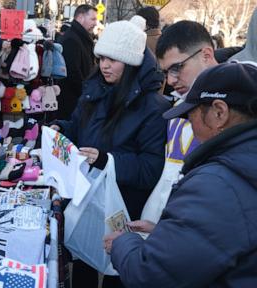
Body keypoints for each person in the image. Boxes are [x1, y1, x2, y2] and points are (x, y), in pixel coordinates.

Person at [104, 62, 257, 287]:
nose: (189, 125)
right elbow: (228, 237)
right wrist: (169, 234)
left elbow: (149, 275)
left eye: (190, 116)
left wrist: (123, 243)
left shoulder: (217, 184)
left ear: (219, 112)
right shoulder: (239, 169)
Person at [52, 15, 169, 288]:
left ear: (130, 63)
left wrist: (108, 161)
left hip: (123, 208)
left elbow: (151, 168)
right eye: (101, 57)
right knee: (82, 261)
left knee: (117, 273)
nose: (104, 65)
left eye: (112, 59)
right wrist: (62, 129)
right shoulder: (94, 90)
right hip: (87, 198)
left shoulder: (153, 107)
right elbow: (79, 129)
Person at [136, 21, 218, 230]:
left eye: (176, 68)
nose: (171, 80)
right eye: (165, 72)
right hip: (166, 230)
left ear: (206, 55)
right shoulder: (178, 106)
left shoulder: (238, 111)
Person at [57, 4, 98, 120]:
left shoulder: (81, 38)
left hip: (77, 101)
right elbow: (72, 73)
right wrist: (87, 94)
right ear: (80, 17)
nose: (95, 23)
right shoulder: (71, 39)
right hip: (71, 103)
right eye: (93, 19)